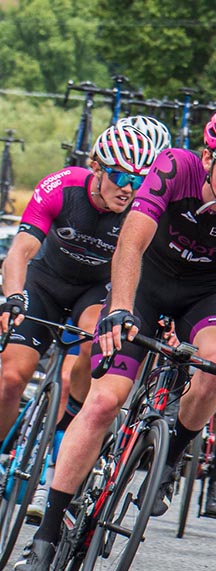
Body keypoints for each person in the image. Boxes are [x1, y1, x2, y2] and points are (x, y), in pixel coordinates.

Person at [14, 106, 216, 571]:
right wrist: (118, 308)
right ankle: (47, 534)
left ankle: (170, 456)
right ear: (208, 158)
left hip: (206, 294)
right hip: (142, 284)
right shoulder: (174, 169)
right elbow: (130, 247)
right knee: (102, 402)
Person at [0, 125, 160, 521]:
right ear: (96, 167)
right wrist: (13, 296)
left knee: (93, 343)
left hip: (95, 292)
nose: (129, 188)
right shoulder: (62, 188)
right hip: (46, 284)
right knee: (10, 377)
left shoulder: (142, 212)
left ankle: (57, 460)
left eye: (139, 181)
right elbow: (19, 252)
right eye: (121, 176)